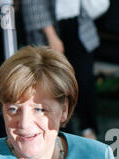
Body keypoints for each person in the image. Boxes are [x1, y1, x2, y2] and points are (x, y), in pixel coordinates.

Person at [21, 0, 101, 139]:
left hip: (79, 25)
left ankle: (88, 128)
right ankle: (61, 133)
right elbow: (33, 3)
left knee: (84, 81)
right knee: (54, 85)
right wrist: (51, 35)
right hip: (49, 29)